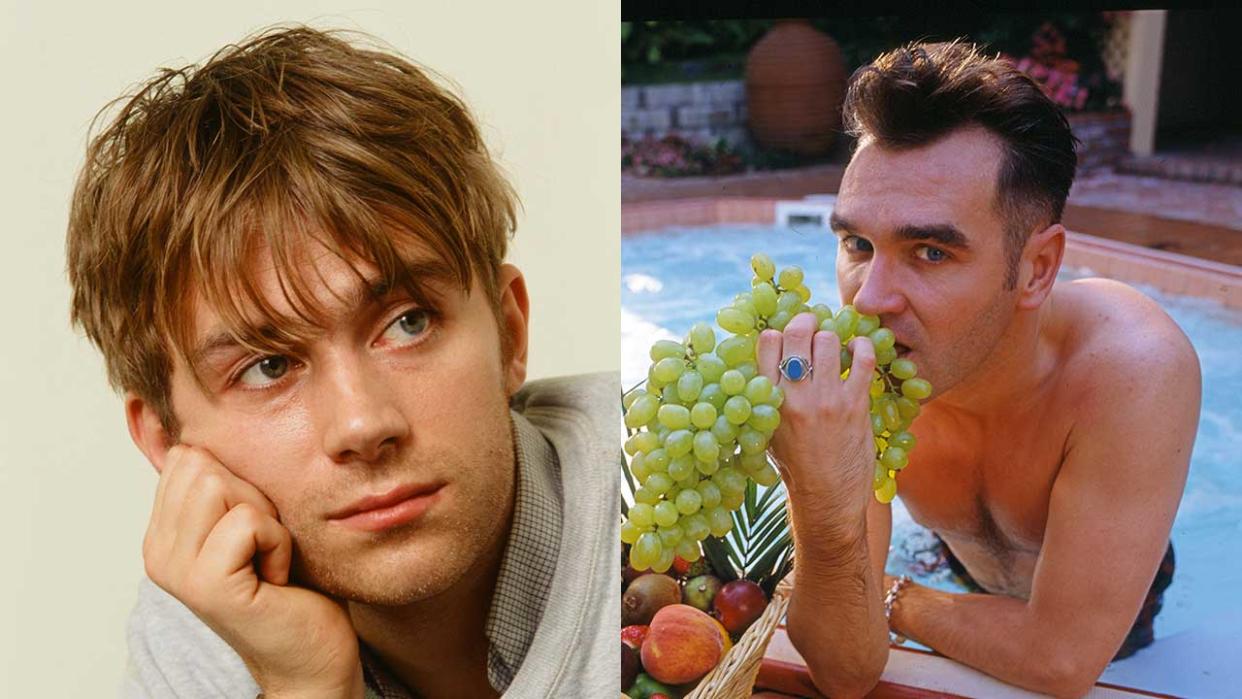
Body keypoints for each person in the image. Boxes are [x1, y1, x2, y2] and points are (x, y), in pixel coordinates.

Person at [65, 26, 618, 699]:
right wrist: (304, 684)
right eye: (267, 366)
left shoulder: (676, 493)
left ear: (509, 330)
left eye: (407, 323)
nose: (362, 423)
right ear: (166, 440)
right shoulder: (205, 632)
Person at [760, 41, 1199, 698]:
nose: (871, 299)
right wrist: (819, 500)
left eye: (930, 251)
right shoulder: (863, 378)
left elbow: (1062, 661)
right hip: (957, 570)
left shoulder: (1131, 368)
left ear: (1038, 268)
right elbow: (847, 672)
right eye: (857, 244)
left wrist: (888, 595)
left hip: (1121, 611)